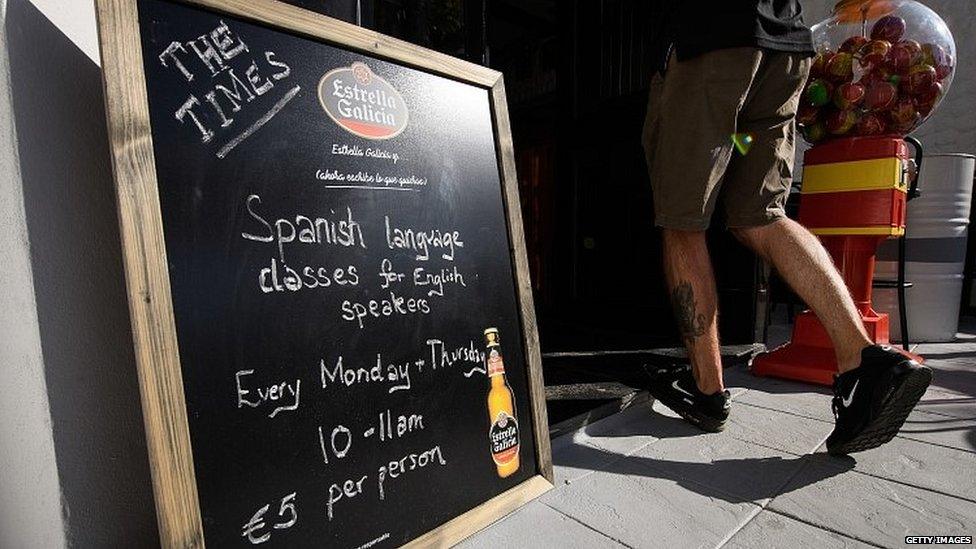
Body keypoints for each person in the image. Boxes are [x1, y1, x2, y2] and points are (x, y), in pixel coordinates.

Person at [641, 0, 932, 455]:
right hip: (784, 56)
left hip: (711, 44)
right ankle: (864, 359)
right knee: (761, 215)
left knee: (682, 220)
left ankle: (708, 390)